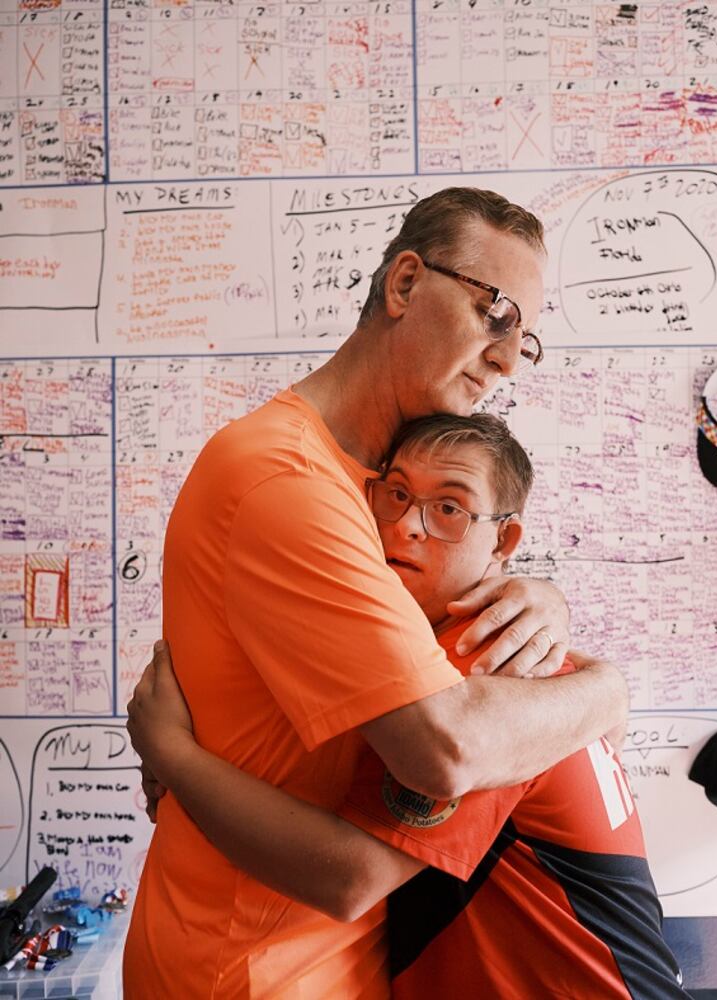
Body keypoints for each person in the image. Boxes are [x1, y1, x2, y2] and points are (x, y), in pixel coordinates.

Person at [123, 188, 628, 998]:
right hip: (251, 970)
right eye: (495, 313)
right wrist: (607, 689)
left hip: (329, 956)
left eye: (523, 341)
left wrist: (543, 603)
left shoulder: (376, 491)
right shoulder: (286, 482)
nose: (505, 359)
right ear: (403, 286)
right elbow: (446, 748)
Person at [129, 412, 687, 999]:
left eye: (448, 508)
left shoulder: (483, 664)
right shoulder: (455, 655)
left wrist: (174, 754)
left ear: (503, 540)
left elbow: (350, 878)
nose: (406, 527)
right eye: (395, 494)